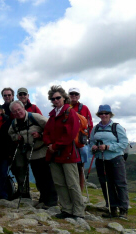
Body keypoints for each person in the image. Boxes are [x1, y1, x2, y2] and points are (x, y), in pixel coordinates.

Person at [43, 85, 84, 219]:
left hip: (68, 154)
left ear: (63, 97)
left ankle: (78, 211)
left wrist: (54, 146)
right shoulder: (53, 114)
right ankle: (67, 209)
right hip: (54, 154)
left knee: (72, 184)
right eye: (53, 99)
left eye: (58, 98)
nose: (55, 100)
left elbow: (70, 134)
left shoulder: (69, 112)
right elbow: (46, 131)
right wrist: (49, 144)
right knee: (60, 183)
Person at [9, 100, 57, 208]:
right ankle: (43, 199)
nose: (17, 113)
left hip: (43, 152)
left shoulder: (35, 117)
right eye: (14, 111)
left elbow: (52, 128)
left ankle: (52, 202)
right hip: (30, 154)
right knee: (38, 178)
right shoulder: (14, 123)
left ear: (23, 108)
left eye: (19, 110)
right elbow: (10, 133)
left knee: (47, 177)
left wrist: (40, 135)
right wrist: (17, 137)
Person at [89, 105, 129, 219]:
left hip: (115, 159)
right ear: (98, 115)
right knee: (106, 184)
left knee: (120, 184)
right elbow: (91, 142)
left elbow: (124, 143)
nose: (104, 115)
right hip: (100, 160)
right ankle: (112, 209)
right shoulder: (95, 128)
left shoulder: (116, 127)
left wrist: (108, 147)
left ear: (110, 114)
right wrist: (93, 147)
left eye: (106, 113)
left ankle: (123, 210)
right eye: (101, 113)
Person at [11, 88, 42, 198]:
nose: (23, 96)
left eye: (24, 94)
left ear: (28, 95)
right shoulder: (14, 108)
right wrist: (16, 137)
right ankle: (23, 191)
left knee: (38, 171)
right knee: (21, 168)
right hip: (22, 146)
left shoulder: (34, 109)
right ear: (18, 96)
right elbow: (12, 129)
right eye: (20, 94)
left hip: (36, 147)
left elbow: (42, 124)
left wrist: (40, 135)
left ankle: (43, 194)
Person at [68, 87, 93, 192]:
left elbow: (90, 124)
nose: (74, 95)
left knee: (80, 167)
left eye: (76, 94)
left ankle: (80, 191)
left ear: (79, 96)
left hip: (80, 142)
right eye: (72, 94)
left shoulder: (84, 108)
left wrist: (88, 137)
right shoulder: (64, 106)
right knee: (69, 168)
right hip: (68, 141)